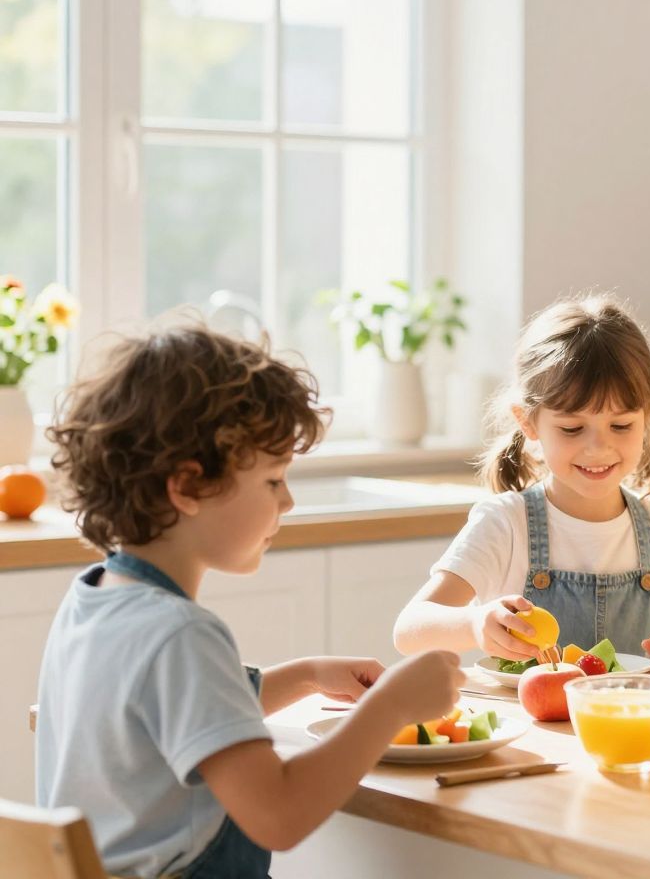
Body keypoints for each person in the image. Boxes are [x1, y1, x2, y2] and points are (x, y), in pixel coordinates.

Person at [35, 325, 464, 879]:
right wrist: (393, 708)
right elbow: (279, 816)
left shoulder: (93, 599)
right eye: (273, 480)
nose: (287, 500)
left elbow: (182, 712)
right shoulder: (181, 634)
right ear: (188, 486)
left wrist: (307, 675)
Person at [394, 295, 650, 673]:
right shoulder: (505, 523)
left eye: (621, 425)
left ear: (647, 417)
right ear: (528, 422)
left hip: (633, 726)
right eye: (572, 428)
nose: (598, 447)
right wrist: (475, 624)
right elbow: (408, 630)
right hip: (529, 730)